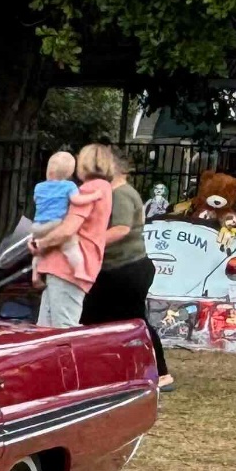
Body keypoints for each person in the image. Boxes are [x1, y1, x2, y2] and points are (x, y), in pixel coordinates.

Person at [81, 155, 173, 388]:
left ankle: (161, 373)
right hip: (122, 268)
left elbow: (121, 229)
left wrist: (87, 241)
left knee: (132, 320)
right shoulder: (122, 193)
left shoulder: (121, 194)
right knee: (97, 318)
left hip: (126, 269)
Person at [28, 143, 114, 327]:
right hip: (65, 268)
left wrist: (39, 244)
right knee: (46, 330)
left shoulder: (89, 189)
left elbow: (68, 229)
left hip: (66, 269)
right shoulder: (103, 188)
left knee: (62, 330)